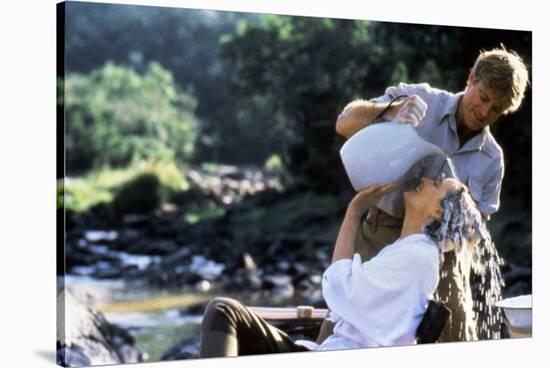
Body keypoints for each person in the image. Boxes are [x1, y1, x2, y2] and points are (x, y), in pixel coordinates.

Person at [326, 46, 529, 342]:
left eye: (496, 109)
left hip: (441, 253)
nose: (485, 112)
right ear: (471, 79)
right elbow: (344, 123)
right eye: (483, 98)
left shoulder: (492, 159)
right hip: (383, 229)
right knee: (342, 321)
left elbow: (475, 230)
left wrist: (437, 247)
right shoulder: (422, 100)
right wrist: (390, 112)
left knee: (460, 336)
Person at [199, 177, 484, 357]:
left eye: (437, 184)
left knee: (224, 312)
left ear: (438, 212)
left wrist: (354, 213)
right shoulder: (408, 251)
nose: (426, 179)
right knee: (227, 314)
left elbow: (340, 287)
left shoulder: (418, 257)